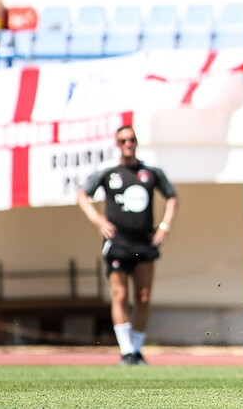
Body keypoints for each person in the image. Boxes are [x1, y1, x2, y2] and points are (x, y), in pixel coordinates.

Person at [76, 125, 179, 365]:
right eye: (123, 140)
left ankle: (137, 349)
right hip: (118, 243)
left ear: (137, 142)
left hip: (144, 243)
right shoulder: (108, 170)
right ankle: (126, 351)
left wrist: (164, 226)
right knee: (120, 295)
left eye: (131, 139)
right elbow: (83, 195)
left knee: (143, 297)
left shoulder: (150, 171)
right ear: (117, 144)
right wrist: (98, 220)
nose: (128, 144)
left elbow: (172, 197)